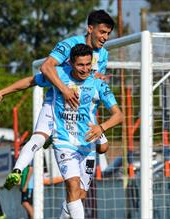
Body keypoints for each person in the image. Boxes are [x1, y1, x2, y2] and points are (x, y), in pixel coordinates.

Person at [0, 10, 115, 188]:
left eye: (108, 34)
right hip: (56, 103)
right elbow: (46, 67)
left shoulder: (103, 54)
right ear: (90, 28)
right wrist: (64, 89)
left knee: (103, 148)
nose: (105, 37)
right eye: (102, 32)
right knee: (39, 138)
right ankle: (18, 170)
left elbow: (93, 79)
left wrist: (99, 78)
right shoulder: (70, 45)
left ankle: (58, 136)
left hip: (81, 112)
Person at [35, 44, 123, 219]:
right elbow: (31, 81)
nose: (85, 69)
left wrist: (101, 128)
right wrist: (3, 91)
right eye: (80, 65)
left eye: (88, 64)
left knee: (79, 195)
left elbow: (118, 115)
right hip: (64, 141)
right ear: (72, 64)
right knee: (73, 186)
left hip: (87, 143)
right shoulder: (60, 75)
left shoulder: (98, 84)